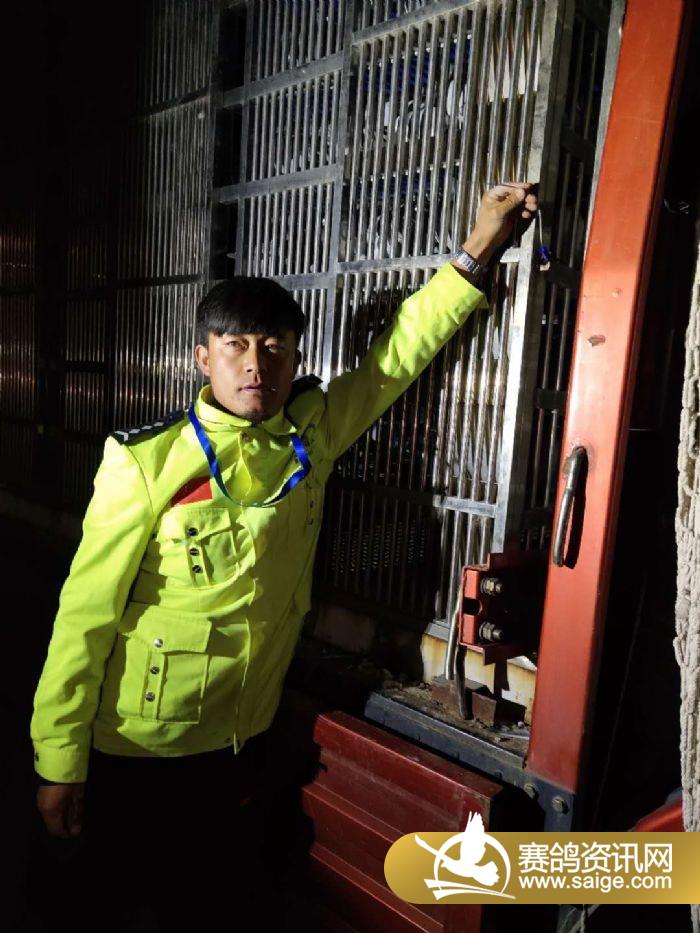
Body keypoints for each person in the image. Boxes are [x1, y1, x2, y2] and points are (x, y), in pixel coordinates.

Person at [29, 182, 538, 927]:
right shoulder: (145, 463)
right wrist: (58, 761)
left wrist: (481, 246)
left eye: (273, 346)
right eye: (235, 345)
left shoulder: (311, 435)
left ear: (296, 354)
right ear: (203, 357)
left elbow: (397, 356)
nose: (255, 365)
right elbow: (83, 618)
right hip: (138, 745)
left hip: (241, 740)